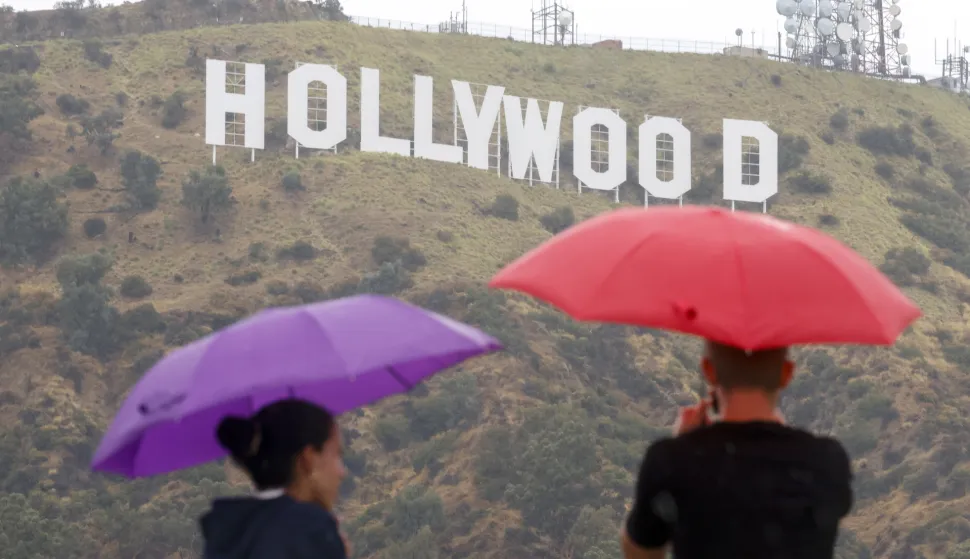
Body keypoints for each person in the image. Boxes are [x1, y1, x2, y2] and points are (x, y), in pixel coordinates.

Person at [621, 341, 853, 559]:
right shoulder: (827, 460)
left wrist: (681, 446)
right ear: (787, 373)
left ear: (709, 371)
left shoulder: (670, 460)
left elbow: (641, 551)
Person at [200, 399, 350, 559]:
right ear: (309, 459)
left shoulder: (226, 532)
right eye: (336, 455)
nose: (342, 472)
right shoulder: (311, 529)